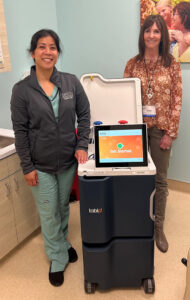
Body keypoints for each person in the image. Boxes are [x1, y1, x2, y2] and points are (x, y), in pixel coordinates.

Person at [11, 29, 90, 286]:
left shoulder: (70, 82)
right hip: (40, 165)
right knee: (48, 213)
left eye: (53, 47)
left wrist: (82, 145)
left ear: (58, 52)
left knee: (63, 207)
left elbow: (85, 115)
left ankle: (62, 241)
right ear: (33, 53)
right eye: (42, 47)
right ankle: (57, 256)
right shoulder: (22, 90)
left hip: (67, 161)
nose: (48, 52)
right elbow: (20, 131)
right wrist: (27, 166)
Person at [123, 15, 182, 253]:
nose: (151, 35)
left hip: (160, 130)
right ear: (142, 34)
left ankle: (158, 229)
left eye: (156, 31)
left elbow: (177, 101)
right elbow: (124, 97)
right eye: (148, 31)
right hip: (136, 130)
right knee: (136, 177)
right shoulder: (132, 64)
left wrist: (171, 133)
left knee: (160, 180)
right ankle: (139, 222)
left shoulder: (172, 64)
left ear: (162, 35)